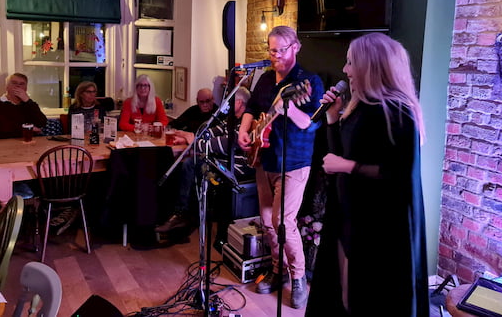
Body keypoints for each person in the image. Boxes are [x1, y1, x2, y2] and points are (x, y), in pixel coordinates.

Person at [305, 32, 428, 316]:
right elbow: (338, 157)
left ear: (371, 66)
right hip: (350, 217)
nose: (345, 70)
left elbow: (398, 174)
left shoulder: (398, 113)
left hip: (378, 229)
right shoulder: (359, 107)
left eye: (351, 63)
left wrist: (347, 167)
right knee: (345, 298)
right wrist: (333, 119)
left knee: (366, 301)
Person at [237, 26, 324, 309]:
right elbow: (251, 106)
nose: (275, 57)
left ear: (296, 47)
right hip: (264, 158)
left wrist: (289, 109)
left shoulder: (309, 82)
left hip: (294, 161)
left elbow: (310, 124)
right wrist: (245, 128)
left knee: (284, 221)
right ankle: (279, 271)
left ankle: (298, 278)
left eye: (281, 50)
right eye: (272, 50)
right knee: (266, 220)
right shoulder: (264, 79)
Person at [155, 87, 252, 235]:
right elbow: (208, 133)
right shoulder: (229, 120)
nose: (226, 103)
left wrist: (192, 140)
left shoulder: (246, 123)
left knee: (191, 163)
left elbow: (222, 144)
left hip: (235, 168)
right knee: (191, 162)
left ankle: (183, 214)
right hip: (221, 160)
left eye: (229, 100)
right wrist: (190, 137)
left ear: (239, 103)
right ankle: (183, 214)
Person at [0, 73, 47, 139]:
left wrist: (27, 100)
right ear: (7, 86)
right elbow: (0, 128)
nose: (18, 86)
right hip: (4, 143)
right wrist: (29, 128)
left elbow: (42, 123)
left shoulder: (28, 104)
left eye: (22, 84)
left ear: (26, 88)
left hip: (30, 142)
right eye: (14, 83)